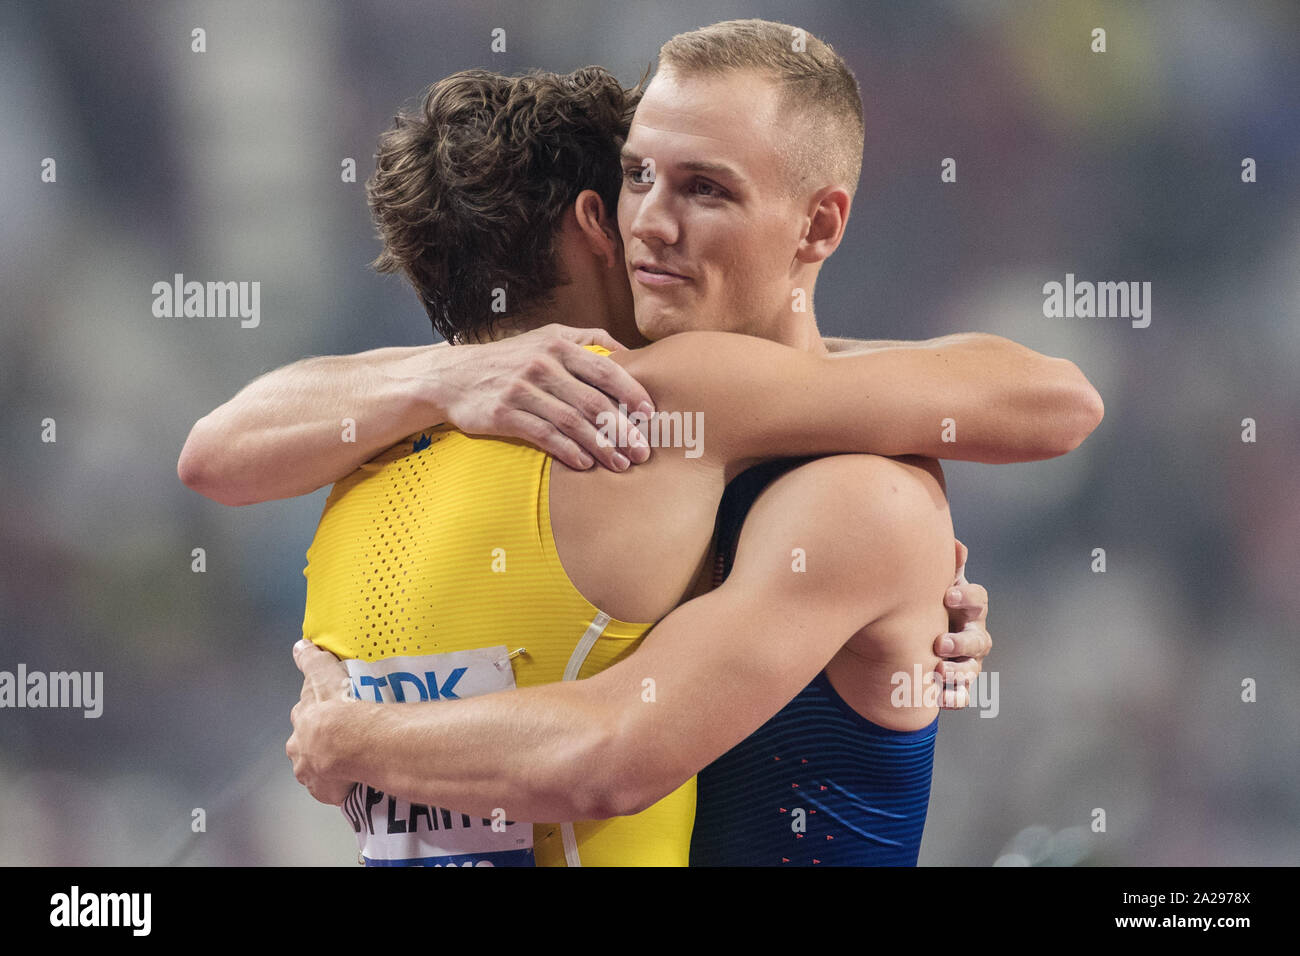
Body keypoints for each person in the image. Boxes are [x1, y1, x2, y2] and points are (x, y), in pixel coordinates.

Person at [186, 22, 1101, 866]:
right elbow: (211, 451)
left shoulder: (845, 480)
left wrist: (357, 739)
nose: (650, 223)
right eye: (637, 177)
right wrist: (448, 374)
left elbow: (1059, 401)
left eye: (704, 187)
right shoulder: (586, 410)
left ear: (819, 224)